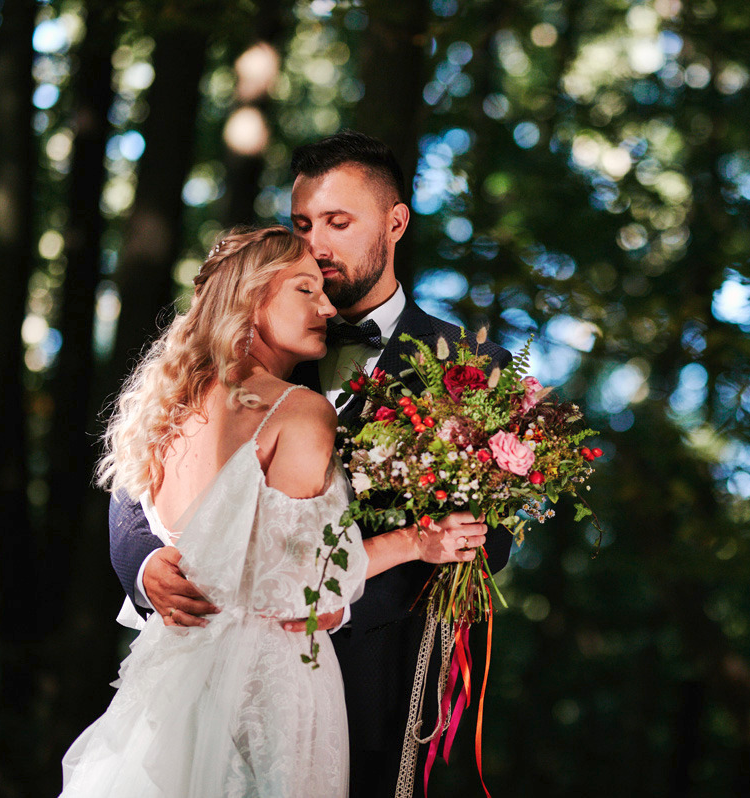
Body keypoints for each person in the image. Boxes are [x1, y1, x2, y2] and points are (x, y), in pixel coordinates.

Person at [108, 131, 513, 797]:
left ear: (395, 222)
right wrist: (146, 563)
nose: (317, 244)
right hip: (206, 676)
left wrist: (333, 606)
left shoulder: (467, 368)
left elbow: (483, 543)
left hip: (382, 688)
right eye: (302, 223)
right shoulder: (258, 340)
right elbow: (135, 473)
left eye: (338, 222)